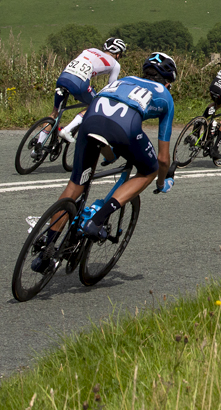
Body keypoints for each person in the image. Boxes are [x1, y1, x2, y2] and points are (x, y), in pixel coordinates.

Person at [32, 52, 178, 271]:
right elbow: (163, 158)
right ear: (168, 82)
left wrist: (110, 154)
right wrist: (160, 182)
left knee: (75, 186)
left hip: (90, 122)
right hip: (124, 128)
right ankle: (97, 220)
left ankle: (47, 245)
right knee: (149, 170)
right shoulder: (165, 95)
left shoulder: (123, 80)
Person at [34, 38, 127, 153]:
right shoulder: (115, 65)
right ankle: (66, 130)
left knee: (54, 113)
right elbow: (111, 86)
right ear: (118, 54)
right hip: (79, 83)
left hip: (63, 78)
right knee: (94, 104)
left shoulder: (91, 50)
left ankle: (37, 147)